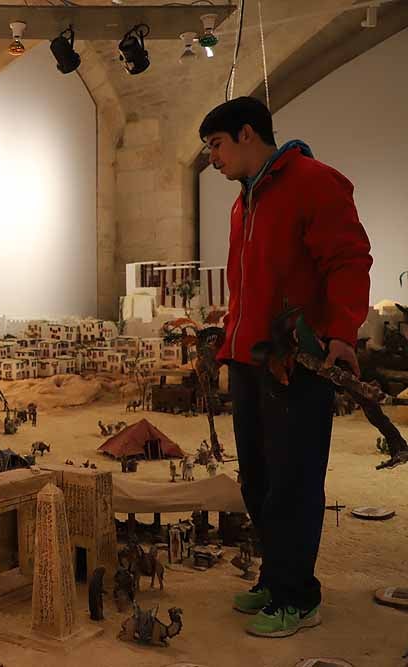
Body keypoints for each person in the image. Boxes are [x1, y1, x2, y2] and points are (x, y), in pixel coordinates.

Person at [200, 96, 372, 638]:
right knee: (257, 479)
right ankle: (276, 579)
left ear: (247, 134)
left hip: (297, 360)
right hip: (249, 359)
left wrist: (343, 332)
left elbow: (348, 259)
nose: (213, 158)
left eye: (216, 145)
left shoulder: (315, 182)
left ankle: (298, 598)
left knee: (294, 482)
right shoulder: (242, 203)